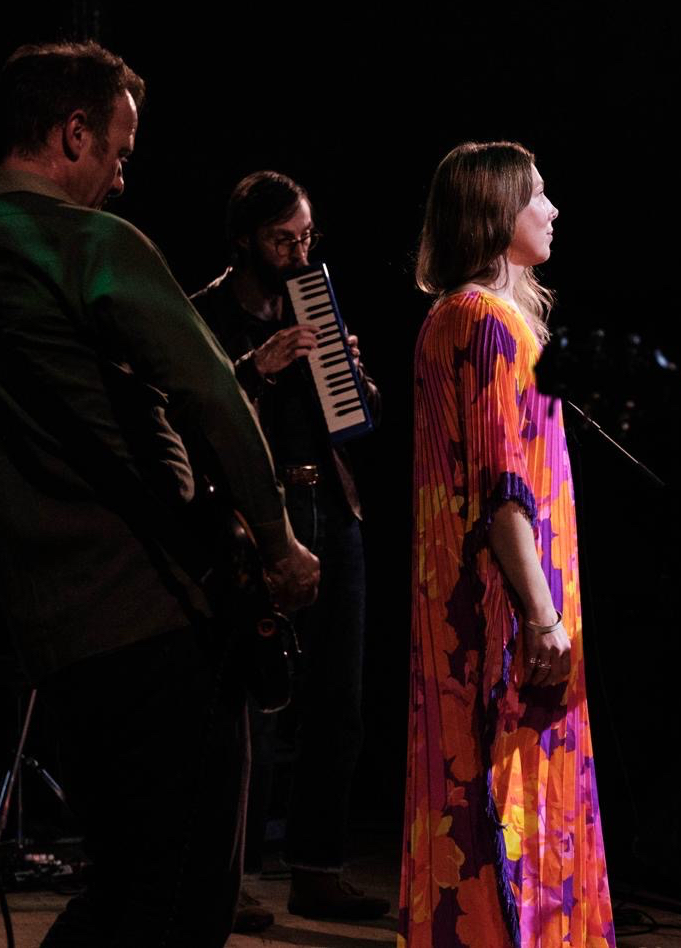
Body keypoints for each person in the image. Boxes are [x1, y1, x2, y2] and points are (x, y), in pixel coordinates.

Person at [0, 41, 320, 948]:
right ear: (73, 132)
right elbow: (210, 394)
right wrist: (280, 543)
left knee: (124, 889)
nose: (124, 179)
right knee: (182, 904)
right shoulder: (87, 242)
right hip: (158, 622)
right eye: (120, 153)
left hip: (53, 644)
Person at [399, 141, 615, 947]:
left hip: (478, 610)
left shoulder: (460, 318)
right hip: (502, 614)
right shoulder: (484, 324)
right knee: (509, 820)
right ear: (497, 212)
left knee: (483, 814)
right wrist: (541, 615)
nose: (552, 210)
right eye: (537, 196)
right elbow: (502, 492)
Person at [191, 171, 386, 925]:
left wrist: (353, 378)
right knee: (256, 703)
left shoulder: (316, 301)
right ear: (245, 239)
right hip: (257, 520)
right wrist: (256, 368)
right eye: (284, 240)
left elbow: (360, 422)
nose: (301, 253)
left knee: (338, 699)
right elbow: (189, 418)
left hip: (330, 509)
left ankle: (317, 870)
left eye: (307, 237)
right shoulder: (207, 312)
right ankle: (229, 877)